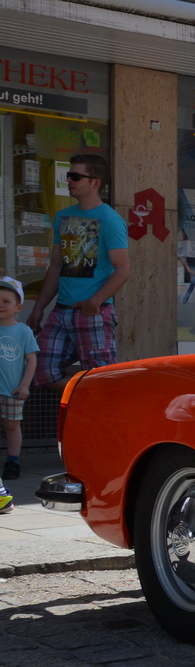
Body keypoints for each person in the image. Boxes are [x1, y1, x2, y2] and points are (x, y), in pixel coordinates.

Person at [26, 153, 129, 387]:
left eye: (75, 176)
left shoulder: (110, 220)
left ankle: (101, 417)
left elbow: (123, 269)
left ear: (95, 182)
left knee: (102, 377)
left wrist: (95, 301)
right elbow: (56, 266)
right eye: (68, 175)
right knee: (41, 372)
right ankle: (83, 399)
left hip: (93, 311)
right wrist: (39, 308)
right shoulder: (63, 216)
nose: (69, 180)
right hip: (61, 309)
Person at [0, 276, 39, 498]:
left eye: (6, 301)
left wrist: (25, 385)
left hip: (13, 390)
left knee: (12, 426)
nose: (1, 305)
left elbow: (31, 360)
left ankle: (13, 461)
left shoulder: (23, 331)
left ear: (18, 307)